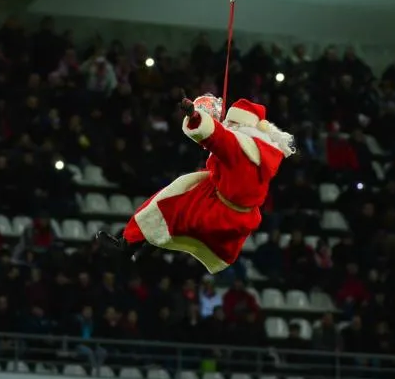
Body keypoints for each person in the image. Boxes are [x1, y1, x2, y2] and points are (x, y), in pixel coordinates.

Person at [98, 95, 294, 273]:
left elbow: (218, 137)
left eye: (231, 121)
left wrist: (195, 117)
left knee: (164, 205)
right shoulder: (265, 152)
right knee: (174, 212)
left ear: (242, 125)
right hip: (239, 216)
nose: (226, 123)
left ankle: (126, 247)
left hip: (217, 208)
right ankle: (145, 250)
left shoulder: (239, 147)